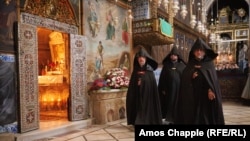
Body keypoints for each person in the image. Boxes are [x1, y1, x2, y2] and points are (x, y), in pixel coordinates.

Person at [174, 37, 225, 125]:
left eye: (201, 50)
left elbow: (212, 81)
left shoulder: (209, 64)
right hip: (193, 95)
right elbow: (184, 79)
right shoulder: (190, 64)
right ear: (193, 52)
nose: (199, 52)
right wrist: (191, 76)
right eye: (197, 50)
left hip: (206, 96)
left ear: (204, 51)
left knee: (206, 117)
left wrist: (210, 90)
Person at [126, 46, 162, 125]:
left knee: (147, 108)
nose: (141, 59)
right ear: (137, 60)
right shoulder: (135, 71)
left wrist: (143, 83)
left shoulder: (149, 71)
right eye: (139, 58)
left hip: (147, 95)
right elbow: (132, 85)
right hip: (137, 95)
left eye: (143, 58)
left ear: (146, 59)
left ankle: (147, 121)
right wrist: (137, 84)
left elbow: (151, 84)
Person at [158, 45, 186, 124]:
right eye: (172, 55)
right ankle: (170, 119)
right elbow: (162, 78)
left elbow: (184, 78)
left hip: (179, 90)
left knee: (178, 104)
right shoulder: (166, 66)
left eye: (175, 55)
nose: (173, 56)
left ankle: (178, 118)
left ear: (177, 56)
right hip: (169, 90)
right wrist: (163, 88)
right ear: (170, 56)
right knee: (169, 103)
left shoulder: (182, 66)